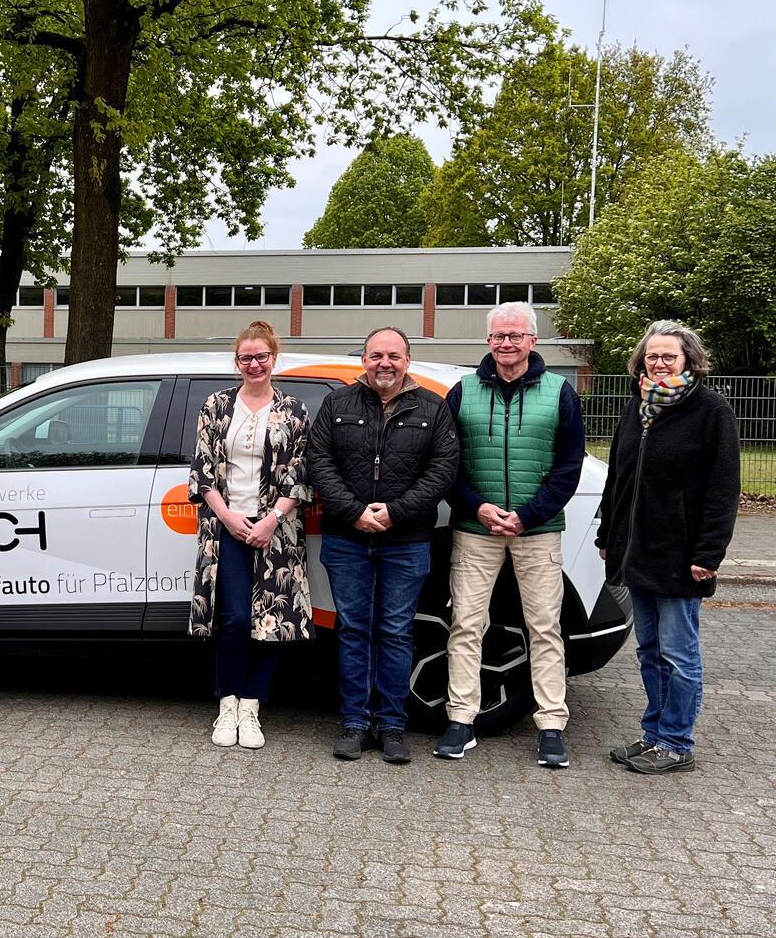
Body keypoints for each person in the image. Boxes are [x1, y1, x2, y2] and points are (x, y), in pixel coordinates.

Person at [435, 301, 584, 768]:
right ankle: (461, 719)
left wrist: (526, 515)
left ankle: (551, 725)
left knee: (545, 628)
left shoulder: (560, 392)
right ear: (488, 341)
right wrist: (478, 507)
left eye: (515, 335)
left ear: (532, 340)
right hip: (475, 529)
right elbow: (447, 464)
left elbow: (568, 467)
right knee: (465, 624)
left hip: (537, 530)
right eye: (498, 336)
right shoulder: (462, 392)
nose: (506, 343)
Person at [306, 327, 459, 764]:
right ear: (364, 360)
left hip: (406, 540)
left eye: (393, 355)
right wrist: (355, 511)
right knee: (353, 631)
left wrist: (393, 512)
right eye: (376, 355)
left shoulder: (433, 407)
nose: (384, 363)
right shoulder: (337, 403)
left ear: (406, 360)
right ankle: (354, 723)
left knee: (395, 632)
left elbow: (443, 470)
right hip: (346, 537)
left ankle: (392, 726)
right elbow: (319, 462)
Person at [596, 321, 739, 775]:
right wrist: (606, 535)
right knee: (649, 650)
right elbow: (617, 479)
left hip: (680, 556)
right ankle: (654, 734)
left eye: (668, 357)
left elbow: (723, 489)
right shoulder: (637, 407)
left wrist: (708, 554)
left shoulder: (710, 411)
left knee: (679, 654)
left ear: (688, 361)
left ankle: (677, 743)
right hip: (635, 553)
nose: (658, 363)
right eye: (652, 356)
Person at [188, 320, 313, 750]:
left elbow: (300, 473)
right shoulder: (217, 405)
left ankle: (252, 707)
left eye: (262, 356)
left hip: (276, 530)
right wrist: (228, 518)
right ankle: (227, 703)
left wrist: (272, 519)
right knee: (235, 618)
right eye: (247, 357)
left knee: (271, 621)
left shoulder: (294, 410)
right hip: (226, 527)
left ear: (274, 359)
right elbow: (202, 468)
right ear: (236, 361)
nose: (254, 364)